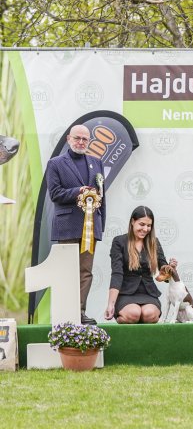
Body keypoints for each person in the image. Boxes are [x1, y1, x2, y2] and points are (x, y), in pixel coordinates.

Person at [46, 124, 106, 324]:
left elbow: (102, 197)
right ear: (68, 139)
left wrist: (100, 224)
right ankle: (65, 313)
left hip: (91, 227)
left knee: (85, 272)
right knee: (66, 272)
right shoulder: (55, 163)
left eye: (84, 139)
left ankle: (78, 312)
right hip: (67, 226)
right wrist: (78, 191)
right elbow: (55, 194)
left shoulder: (97, 163)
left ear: (89, 141)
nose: (81, 142)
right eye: (77, 138)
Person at [104, 206, 175, 324]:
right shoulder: (119, 241)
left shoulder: (154, 242)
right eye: (141, 224)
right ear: (133, 221)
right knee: (134, 314)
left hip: (148, 293)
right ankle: (123, 317)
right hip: (126, 293)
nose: (145, 229)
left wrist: (170, 268)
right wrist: (110, 304)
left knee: (149, 315)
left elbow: (165, 273)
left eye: (149, 225)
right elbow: (117, 274)